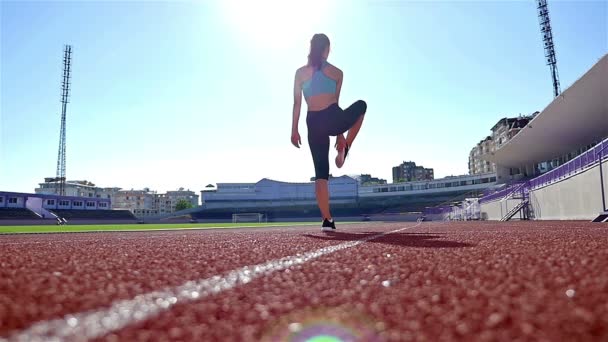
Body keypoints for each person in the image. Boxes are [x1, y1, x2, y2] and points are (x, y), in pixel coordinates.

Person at [291, 33, 367, 232]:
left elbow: (297, 103)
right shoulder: (337, 72)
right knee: (361, 106)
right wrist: (341, 133)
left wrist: (294, 130)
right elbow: (335, 104)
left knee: (321, 174)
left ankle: (327, 220)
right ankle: (347, 146)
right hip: (332, 118)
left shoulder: (300, 73)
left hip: (313, 121)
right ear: (326, 49)